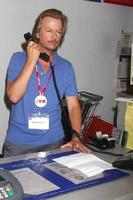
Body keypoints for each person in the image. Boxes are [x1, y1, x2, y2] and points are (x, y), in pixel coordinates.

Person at [3, 8, 90, 157]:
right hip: (19, 144)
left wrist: (76, 136)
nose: (54, 36)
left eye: (58, 32)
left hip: (54, 142)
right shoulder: (18, 59)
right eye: (49, 30)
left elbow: (74, 106)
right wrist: (31, 60)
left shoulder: (66, 66)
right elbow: (14, 96)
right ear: (37, 33)